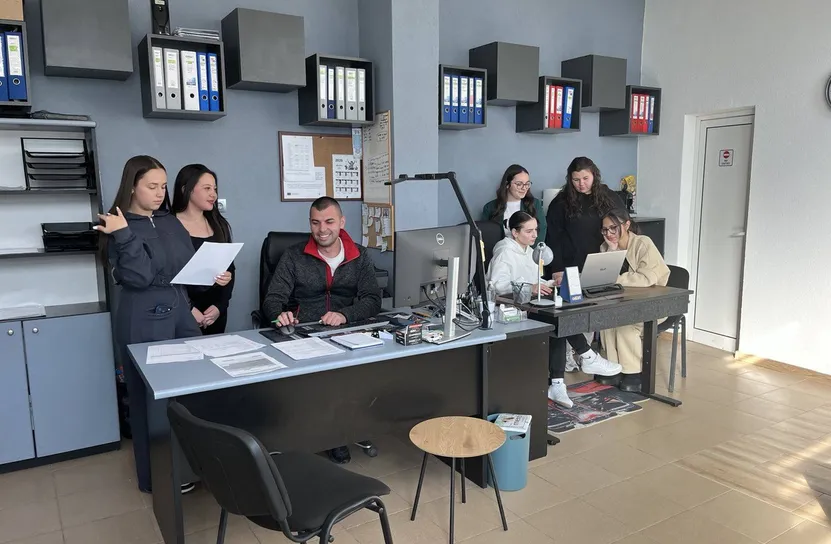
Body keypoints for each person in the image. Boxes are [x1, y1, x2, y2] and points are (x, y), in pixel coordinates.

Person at [94, 156, 231, 494]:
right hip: (143, 315)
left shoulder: (169, 221)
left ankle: (191, 466)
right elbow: (139, 276)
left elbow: (185, 268)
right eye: (151, 186)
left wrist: (213, 275)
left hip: (179, 310)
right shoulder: (117, 224)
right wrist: (124, 234)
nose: (159, 193)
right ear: (132, 187)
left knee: (193, 390)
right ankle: (156, 477)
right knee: (150, 401)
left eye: (163, 186)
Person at [262, 196, 382, 464]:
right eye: (315, 223)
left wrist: (345, 314)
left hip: (346, 331)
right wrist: (279, 315)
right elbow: (272, 299)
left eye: (329, 221)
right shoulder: (294, 256)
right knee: (317, 381)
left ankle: (338, 431)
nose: (322, 229)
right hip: (304, 332)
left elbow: (373, 300)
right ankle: (328, 436)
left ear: (342, 222)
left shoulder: (359, 255)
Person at [486, 212, 577, 407]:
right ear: (515, 232)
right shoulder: (504, 253)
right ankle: (584, 358)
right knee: (558, 321)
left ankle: (560, 381)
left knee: (561, 319)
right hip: (510, 309)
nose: (535, 235)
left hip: (529, 304)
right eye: (529, 231)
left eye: (536, 230)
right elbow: (497, 285)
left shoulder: (530, 251)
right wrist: (531, 287)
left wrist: (551, 282)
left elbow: (534, 279)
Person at [545, 156, 624, 377]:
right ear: (570, 179)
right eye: (576, 179)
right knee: (571, 314)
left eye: (585, 178)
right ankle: (569, 360)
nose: (581, 184)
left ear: (594, 176)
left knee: (591, 312)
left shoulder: (609, 197)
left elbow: (621, 224)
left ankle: (586, 356)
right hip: (570, 264)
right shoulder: (561, 202)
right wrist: (556, 269)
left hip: (599, 261)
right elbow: (553, 238)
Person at [599, 209, 669, 391]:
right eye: (605, 230)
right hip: (624, 301)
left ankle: (633, 372)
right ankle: (613, 369)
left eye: (614, 228)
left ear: (627, 225)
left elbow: (646, 279)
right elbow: (602, 276)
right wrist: (612, 252)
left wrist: (615, 279)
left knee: (625, 325)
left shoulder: (643, 244)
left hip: (653, 303)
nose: (609, 233)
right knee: (606, 321)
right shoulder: (605, 247)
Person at [172, 164, 235, 335]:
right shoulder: (169, 226)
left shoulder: (219, 224)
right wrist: (189, 308)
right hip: (180, 312)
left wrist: (220, 306)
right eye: (207, 188)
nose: (213, 194)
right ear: (186, 189)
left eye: (214, 189)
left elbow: (230, 269)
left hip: (214, 313)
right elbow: (166, 275)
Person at [482, 164, 547, 246]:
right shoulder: (490, 207)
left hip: (528, 252)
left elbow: (541, 233)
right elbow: (486, 237)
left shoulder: (534, 204)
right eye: (519, 184)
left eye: (527, 184)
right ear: (507, 184)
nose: (524, 188)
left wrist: (529, 252)